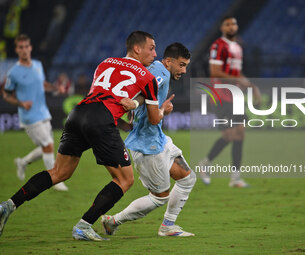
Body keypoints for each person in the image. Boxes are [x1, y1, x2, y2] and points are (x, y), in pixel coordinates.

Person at [0, 31, 174, 241]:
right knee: (125, 179)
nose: (155, 54)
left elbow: (105, 95)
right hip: (101, 119)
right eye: (151, 48)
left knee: (59, 172)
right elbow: (154, 119)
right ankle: (84, 226)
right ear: (137, 49)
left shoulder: (105, 63)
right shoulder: (147, 77)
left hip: (78, 113)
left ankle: (8, 205)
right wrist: (164, 109)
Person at [101, 42, 195, 237]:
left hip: (158, 138)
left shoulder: (151, 69)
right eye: (181, 65)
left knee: (187, 178)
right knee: (160, 197)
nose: (184, 70)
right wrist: (152, 107)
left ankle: (168, 226)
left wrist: (133, 105)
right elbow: (146, 94)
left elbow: (141, 91)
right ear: (168, 61)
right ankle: (113, 221)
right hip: (147, 145)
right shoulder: (161, 72)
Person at [199, 16, 261, 187]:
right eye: (228, 24)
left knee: (240, 132)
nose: (231, 26)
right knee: (230, 135)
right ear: (222, 27)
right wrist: (237, 79)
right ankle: (205, 164)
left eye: (234, 23)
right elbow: (215, 71)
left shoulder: (237, 48)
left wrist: (252, 87)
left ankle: (235, 178)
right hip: (221, 96)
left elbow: (237, 73)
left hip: (235, 96)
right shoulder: (218, 46)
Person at [2, 34, 68, 191]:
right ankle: (55, 180)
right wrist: (20, 103)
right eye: (21, 47)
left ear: (30, 48)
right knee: (48, 145)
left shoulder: (37, 65)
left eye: (26, 46)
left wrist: (54, 88)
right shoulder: (14, 73)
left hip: (43, 111)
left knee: (48, 146)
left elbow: (42, 84)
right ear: (17, 50)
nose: (24, 50)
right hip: (29, 115)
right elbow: (6, 94)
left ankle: (22, 162)